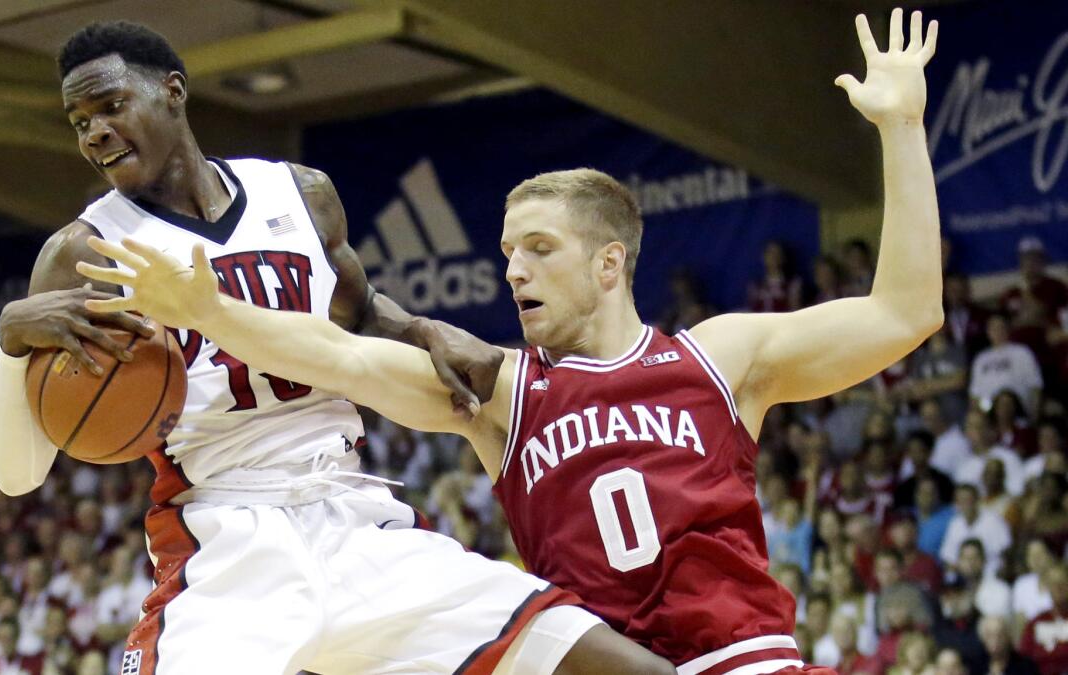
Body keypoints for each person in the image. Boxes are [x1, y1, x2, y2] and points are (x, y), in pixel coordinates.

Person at [81, 10, 942, 672]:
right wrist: (210, 309)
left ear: (610, 262)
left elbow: (906, 312)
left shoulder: (720, 358)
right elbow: (337, 355)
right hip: (598, 661)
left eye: (538, 250)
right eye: (505, 254)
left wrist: (901, 131)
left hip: (739, 656)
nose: (514, 272)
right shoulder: (501, 391)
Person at [0, 20, 670, 675]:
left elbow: (361, 313)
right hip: (228, 543)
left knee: (619, 664)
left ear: (173, 91)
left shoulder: (299, 194)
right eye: (80, 123)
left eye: (110, 105)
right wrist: (11, 343)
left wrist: (424, 328)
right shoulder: (84, 251)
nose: (96, 132)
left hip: (357, 520)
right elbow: (16, 474)